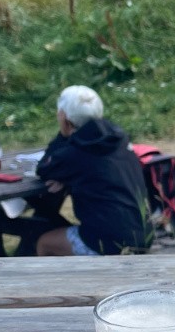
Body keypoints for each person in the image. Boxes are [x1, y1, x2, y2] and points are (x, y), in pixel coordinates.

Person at [34, 85, 152, 256]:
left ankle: (52, 283)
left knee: (45, 243)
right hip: (143, 236)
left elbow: (44, 168)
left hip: (109, 244)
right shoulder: (118, 138)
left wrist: (63, 133)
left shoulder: (74, 152)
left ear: (64, 118)